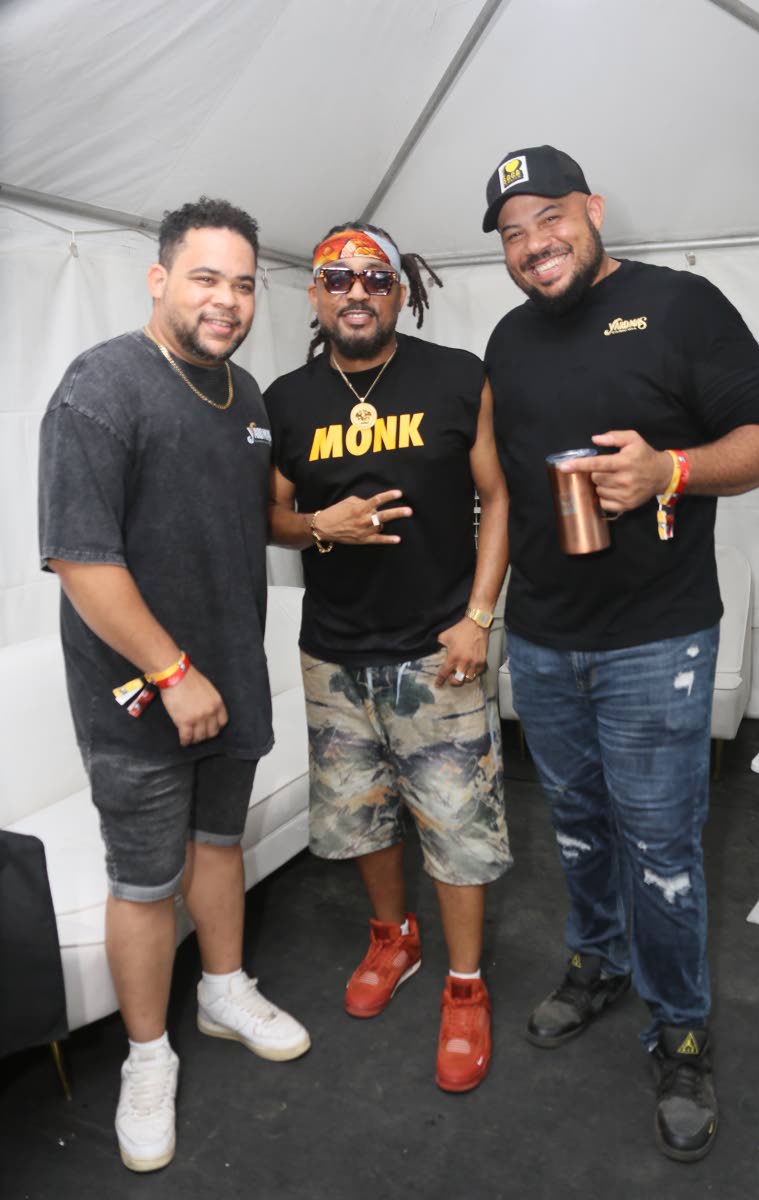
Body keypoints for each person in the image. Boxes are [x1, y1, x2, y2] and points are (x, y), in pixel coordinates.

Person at [481, 145, 759, 1160]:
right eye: (513, 233)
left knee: (661, 851)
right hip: (542, 638)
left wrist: (671, 470)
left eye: (550, 218)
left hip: (655, 638)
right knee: (575, 827)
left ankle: (681, 1031)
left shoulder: (679, 306)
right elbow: (501, 484)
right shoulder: (506, 339)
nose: (534, 244)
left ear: (593, 209)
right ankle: (597, 964)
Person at [38, 198, 310, 1173]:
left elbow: (241, 521)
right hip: (141, 696)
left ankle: (223, 989)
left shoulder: (249, 397)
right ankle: (146, 1058)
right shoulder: (101, 385)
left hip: (230, 678)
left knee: (218, 845)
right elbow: (80, 559)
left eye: (242, 284)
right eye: (205, 278)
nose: (226, 300)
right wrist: (172, 671)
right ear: (159, 280)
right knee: (146, 880)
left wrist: (320, 526)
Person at [265, 223, 511, 1092]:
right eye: (338, 279)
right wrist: (317, 526)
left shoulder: (457, 376)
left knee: (458, 829)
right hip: (334, 654)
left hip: (437, 651)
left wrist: (479, 618)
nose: (357, 292)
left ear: (400, 292)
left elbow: (498, 496)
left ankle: (465, 985)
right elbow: (271, 518)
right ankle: (393, 940)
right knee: (363, 817)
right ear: (315, 295)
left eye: (375, 277)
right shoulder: (287, 398)